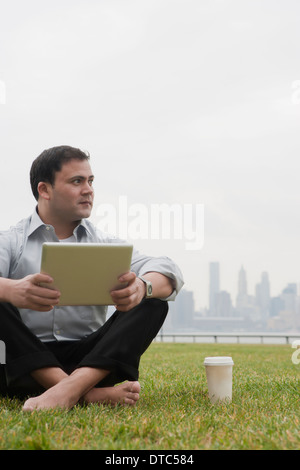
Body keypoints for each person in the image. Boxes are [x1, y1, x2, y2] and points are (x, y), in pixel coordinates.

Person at [0, 145, 184, 411]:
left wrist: (142, 287)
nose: (88, 190)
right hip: (20, 363)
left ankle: (69, 389)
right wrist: (11, 290)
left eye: (90, 181)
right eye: (77, 181)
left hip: (88, 363)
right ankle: (87, 395)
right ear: (44, 190)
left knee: (152, 299)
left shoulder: (104, 243)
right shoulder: (12, 241)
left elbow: (169, 269)